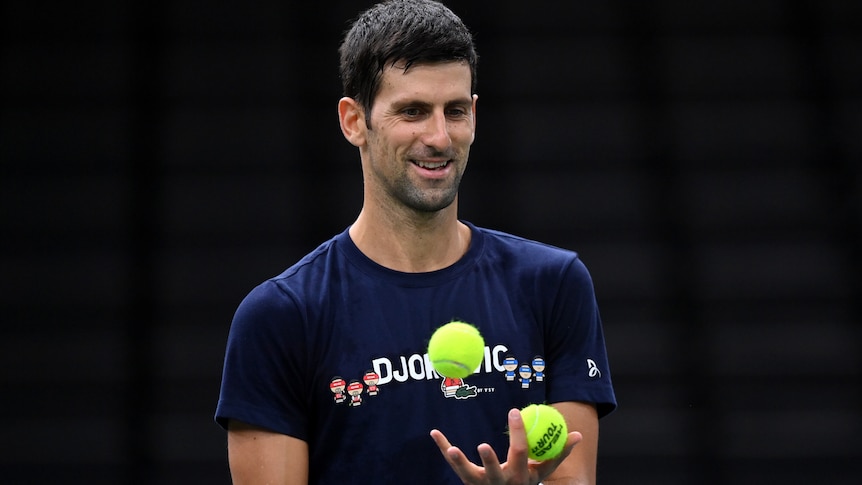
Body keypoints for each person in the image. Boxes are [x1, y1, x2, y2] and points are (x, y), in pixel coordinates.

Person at [215, 0, 616, 483]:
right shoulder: (280, 315)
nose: (440, 136)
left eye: (456, 110)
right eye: (413, 111)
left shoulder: (554, 283)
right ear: (353, 121)